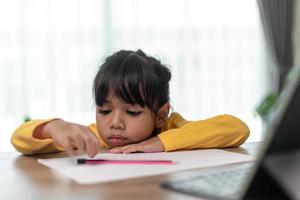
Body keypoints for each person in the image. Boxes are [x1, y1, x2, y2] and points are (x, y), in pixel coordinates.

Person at [11, 49, 250, 158]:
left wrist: (159, 142)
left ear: (160, 114)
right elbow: (19, 138)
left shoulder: (173, 128)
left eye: (132, 112)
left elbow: (237, 128)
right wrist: (54, 127)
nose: (114, 123)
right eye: (104, 110)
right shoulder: (95, 138)